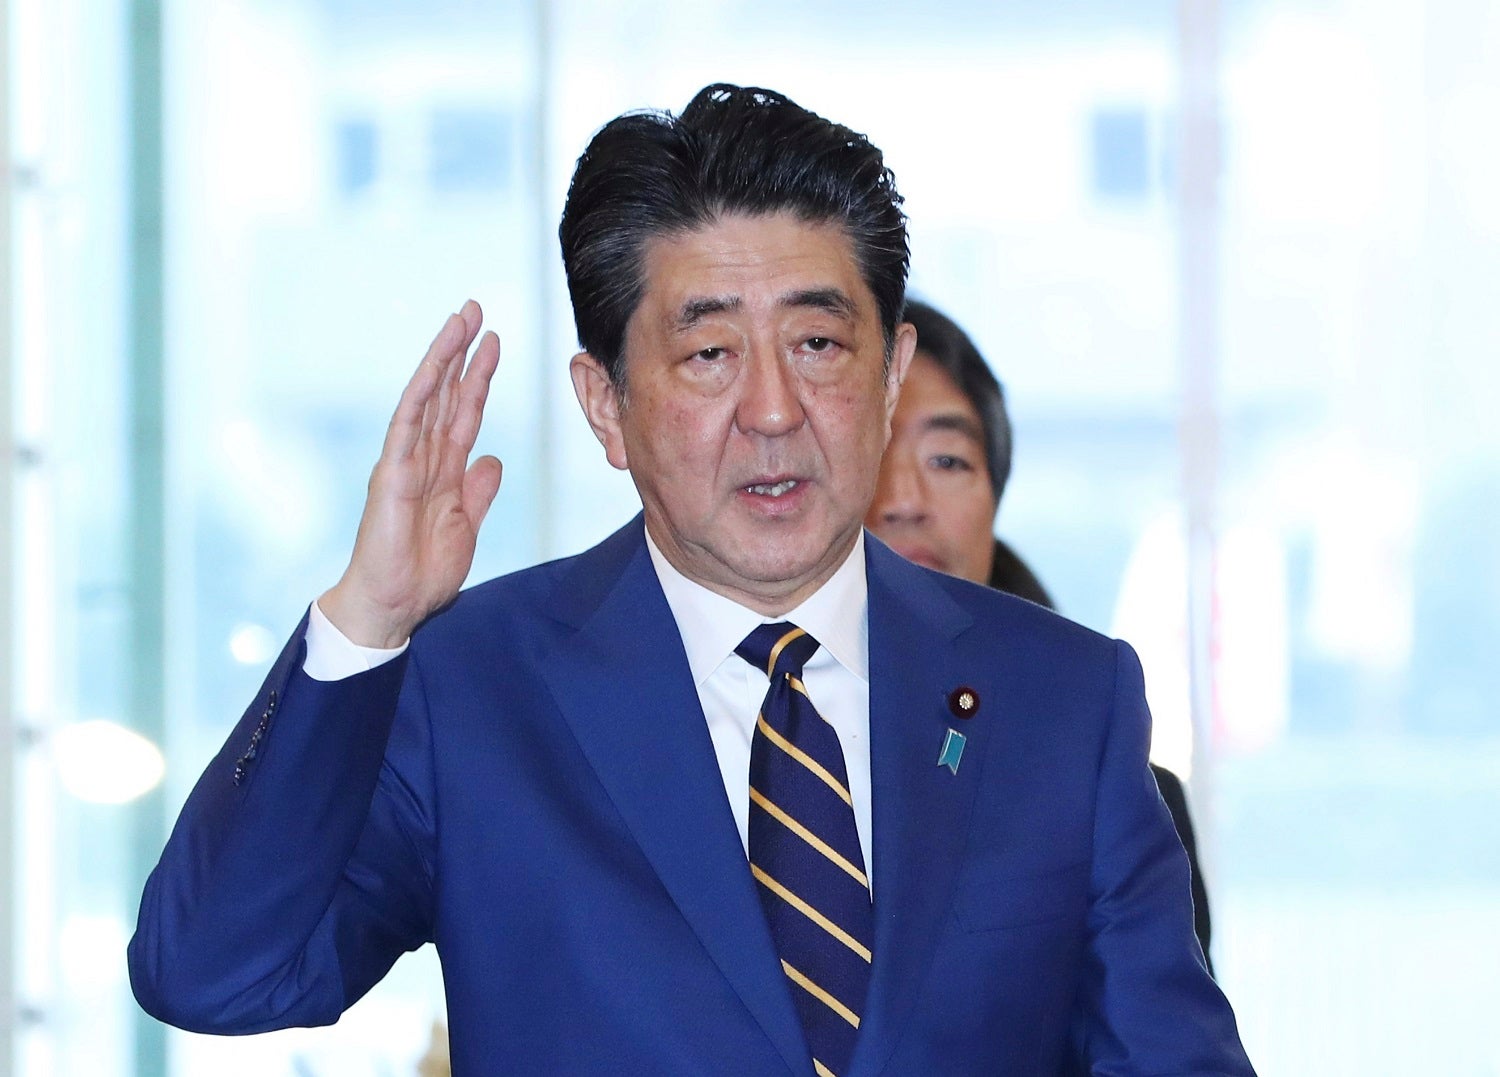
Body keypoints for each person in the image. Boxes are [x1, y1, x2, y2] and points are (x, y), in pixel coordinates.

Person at [128, 84, 1254, 1075]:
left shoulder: (1065, 700)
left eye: (818, 346)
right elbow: (218, 974)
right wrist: (366, 622)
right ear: (606, 404)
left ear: (892, 370)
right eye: (709, 354)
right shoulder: (474, 688)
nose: (772, 412)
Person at [865, 298, 1216, 970]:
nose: (904, 497)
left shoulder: (1123, 805)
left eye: (948, 459)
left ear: (995, 501)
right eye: (873, 451)